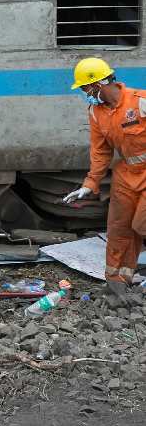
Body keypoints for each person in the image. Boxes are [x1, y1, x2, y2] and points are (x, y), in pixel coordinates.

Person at [63, 58, 146, 301]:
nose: (84, 93)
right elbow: (100, 152)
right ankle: (117, 285)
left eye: (85, 88)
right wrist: (89, 185)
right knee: (119, 229)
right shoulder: (96, 113)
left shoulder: (140, 101)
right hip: (126, 174)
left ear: (99, 83)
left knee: (141, 225)